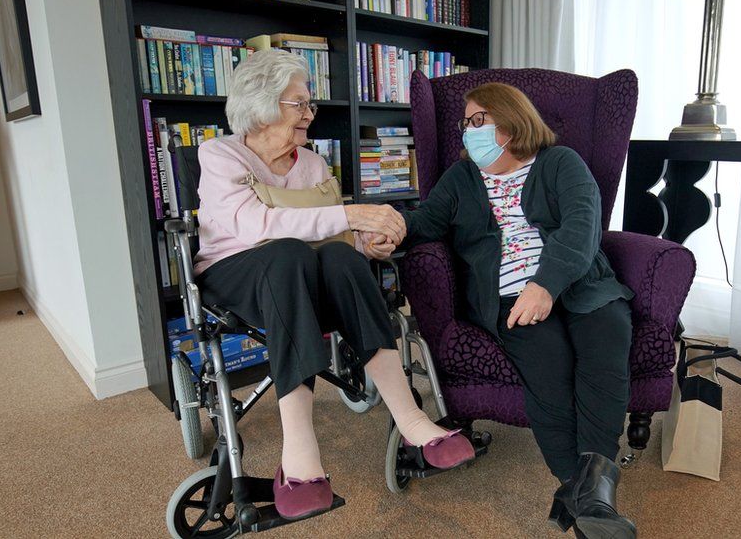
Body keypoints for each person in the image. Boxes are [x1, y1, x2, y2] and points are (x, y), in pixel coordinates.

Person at [193, 49, 474, 520]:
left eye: (309, 104)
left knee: (340, 255)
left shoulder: (312, 165)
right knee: (285, 252)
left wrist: (367, 245)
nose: (310, 114)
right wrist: (349, 213)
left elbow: (334, 236)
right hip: (235, 273)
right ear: (261, 104)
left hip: (301, 277)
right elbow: (253, 226)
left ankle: (410, 418)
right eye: (298, 104)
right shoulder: (220, 154)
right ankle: (298, 449)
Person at [388, 83, 637, 538]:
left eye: (478, 120)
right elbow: (426, 221)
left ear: (511, 121)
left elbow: (584, 223)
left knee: (606, 345)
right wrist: (390, 227)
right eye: (465, 124)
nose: (468, 132)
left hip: (582, 285)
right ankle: (584, 498)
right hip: (508, 297)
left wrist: (546, 283)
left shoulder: (560, 162)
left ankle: (593, 495)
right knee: (550, 371)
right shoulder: (462, 179)